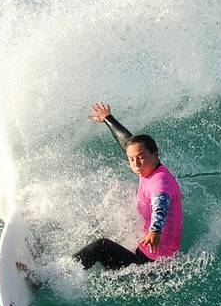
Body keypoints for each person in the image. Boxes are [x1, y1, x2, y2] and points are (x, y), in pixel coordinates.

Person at [74, 102, 183, 271]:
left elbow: (160, 204)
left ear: (155, 155)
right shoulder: (149, 167)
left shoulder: (160, 181)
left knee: (100, 246)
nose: (136, 163)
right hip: (146, 253)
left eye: (140, 157)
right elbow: (126, 141)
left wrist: (155, 231)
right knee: (96, 224)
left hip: (150, 266)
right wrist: (107, 118)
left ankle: (54, 276)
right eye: (131, 159)